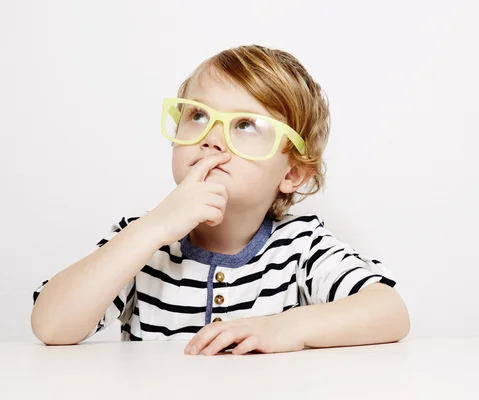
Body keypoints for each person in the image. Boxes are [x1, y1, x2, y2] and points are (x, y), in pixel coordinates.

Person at [31, 44, 410, 356]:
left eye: (245, 125)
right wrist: (154, 228)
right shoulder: (143, 243)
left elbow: (390, 311)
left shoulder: (300, 247)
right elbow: (50, 325)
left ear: (291, 174)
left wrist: (287, 328)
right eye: (197, 115)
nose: (211, 138)